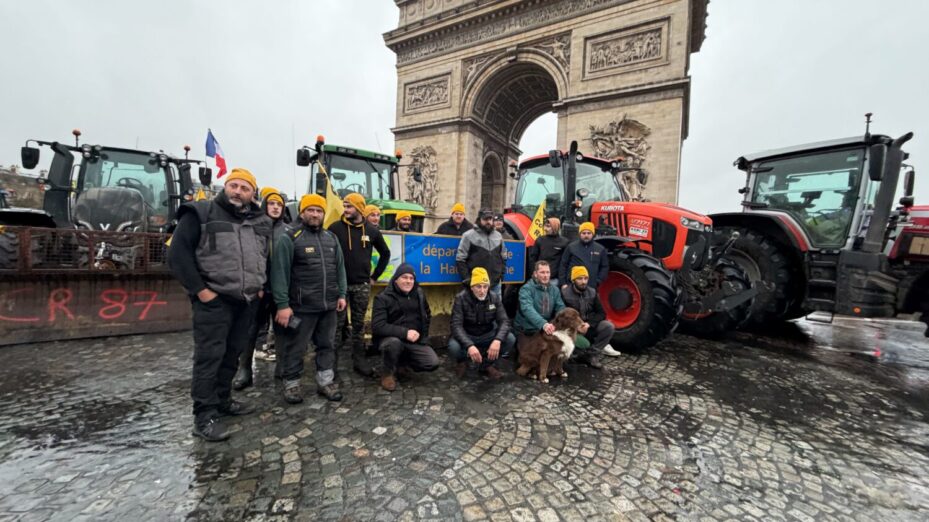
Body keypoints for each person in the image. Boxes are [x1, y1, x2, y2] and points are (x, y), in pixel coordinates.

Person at [168, 168, 271, 442]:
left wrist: (260, 287)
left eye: (244, 188)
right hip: (214, 300)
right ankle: (203, 416)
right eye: (233, 185)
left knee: (231, 355)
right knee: (209, 358)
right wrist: (201, 292)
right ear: (225, 187)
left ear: (252, 193)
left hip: (246, 301)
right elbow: (177, 256)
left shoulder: (259, 220)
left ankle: (223, 400)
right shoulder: (200, 214)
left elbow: (262, 257)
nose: (238, 191)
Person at [270, 194, 348, 403]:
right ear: (302, 212)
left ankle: (325, 382)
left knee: (327, 345)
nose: (315, 214)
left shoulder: (331, 239)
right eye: (310, 210)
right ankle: (292, 384)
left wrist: (341, 294)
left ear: (323, 214)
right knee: (296, 347)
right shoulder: (290, 238)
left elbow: (340, 269)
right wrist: (282, 305)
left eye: (319, 210)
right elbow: (280, 273)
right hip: (302, 307)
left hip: (329, 306)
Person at [233, 186, 291, 390]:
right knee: (251, 330)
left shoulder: (288, 231)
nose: (275, 208)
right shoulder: (254, 228)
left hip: (281, 289)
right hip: (258, 289)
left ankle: (282, 368)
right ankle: (245, 369)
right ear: (265, 205)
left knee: (283, 330)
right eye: (272, 204)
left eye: (279, 205)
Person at [327, 192, 391, 377]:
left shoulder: (371, 230)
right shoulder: (335, 228)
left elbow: (385, 253)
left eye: (349, 206)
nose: (345, 210)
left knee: (358, 325)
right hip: (339, 286)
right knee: (337, 326)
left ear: (360, 208)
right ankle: (331, 364)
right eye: (344, 206)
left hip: (362, 285)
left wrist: (375, 276)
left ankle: (359, 360)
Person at [371, 263, 439, 391]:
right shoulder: (383, 297)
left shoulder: (419, 294)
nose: (408, 281)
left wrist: (423, 337)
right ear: (396, 279)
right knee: (393, 344)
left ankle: (403, 364)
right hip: (390, 339)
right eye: (404, 277)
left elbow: (427, 315)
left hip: (413, 341)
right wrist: (405, 332)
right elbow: (378, 326)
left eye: (411, 278)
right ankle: (387, 374)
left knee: (432, 363)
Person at [448, 267, 515, 380]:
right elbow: (456, 325)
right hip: (468, 333)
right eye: (478, 286)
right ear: (472, 287)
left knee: (510, 339)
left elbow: (504, 321)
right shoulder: (461, 298)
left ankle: (486, 364)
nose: (482, 290)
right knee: (453, 346)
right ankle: (462, 362)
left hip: (487, 333)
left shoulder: (493, 297)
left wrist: (497, 340)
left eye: (485, 286)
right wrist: (469, 345)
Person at [560, 266, 615, 368]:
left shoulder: (592, 292)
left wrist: (589, 324)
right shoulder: (565, 293)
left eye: (585, 278)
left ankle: (592, 354)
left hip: (589, 326)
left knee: (608, 326)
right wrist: (576, 326)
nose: (583, 282)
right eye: (580, 279)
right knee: (577, 343)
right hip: (572, 328)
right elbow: (563, 316)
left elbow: (601, 313)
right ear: (573, 280)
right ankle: (577, 354)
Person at [513, 261, 565, 348]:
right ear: (535, 274)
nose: (546, 275)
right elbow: (527, 309)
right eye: (542, 272)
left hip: (546, 329)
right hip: (527, 330)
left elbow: (561, 308)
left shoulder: (555, 290)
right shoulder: (526, 289)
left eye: (548, 272)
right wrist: (544, 324)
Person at [456, 208, 505, 295]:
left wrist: (500, 276)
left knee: (496, 308)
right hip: (476, 285)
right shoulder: (468, 235)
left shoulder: (498, 236)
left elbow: (503, 257)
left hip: (495, 284)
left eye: (490, 219)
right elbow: (460, 259)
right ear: (479, 220)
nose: (488, 222)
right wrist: (468, 279)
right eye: (485, 219)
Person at [559, 221, 609, 290]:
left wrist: (598, 281)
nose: (586, 235)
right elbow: (563, 265)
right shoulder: (571, 247)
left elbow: (605, 267)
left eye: (589, 233)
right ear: (580, 234)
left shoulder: (600, 249)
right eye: (584, 233)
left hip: (591, 287)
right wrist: (563, 283)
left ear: (593, 234)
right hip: (572, 286)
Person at [528, 217, 569, 286]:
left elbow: (565, 262)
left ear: (555, 227)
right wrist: (534, 273)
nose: (545, 229)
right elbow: (533, 258)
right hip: (539, 278)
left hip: (554, 279)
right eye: (545, 226)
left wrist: (562, 280)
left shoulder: (564, 242)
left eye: (548, 226)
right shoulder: (540, 240)